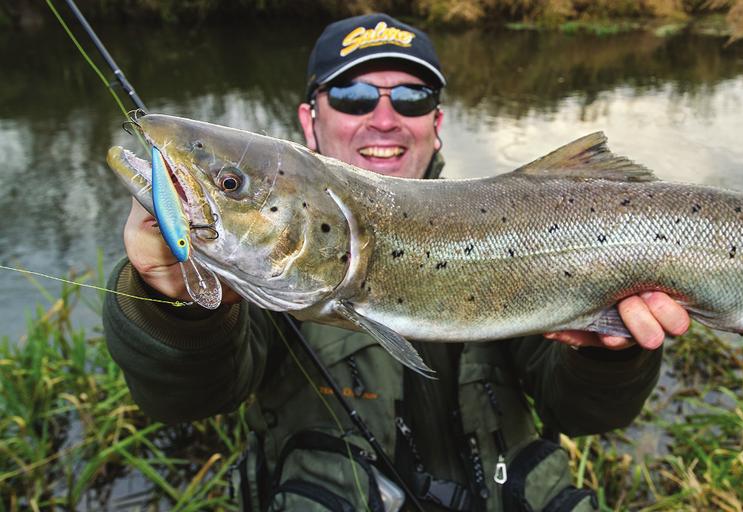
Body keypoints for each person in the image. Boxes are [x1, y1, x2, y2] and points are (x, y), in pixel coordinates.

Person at [104, 13, 690, 511]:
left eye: (412, 97)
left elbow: (582, 411)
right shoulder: (257, 279)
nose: (383, 119)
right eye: (354, 96)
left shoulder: (522, 230)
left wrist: (615, 357)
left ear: (436, 126)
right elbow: (186, 400)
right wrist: (173, 306)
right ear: (311, 120)